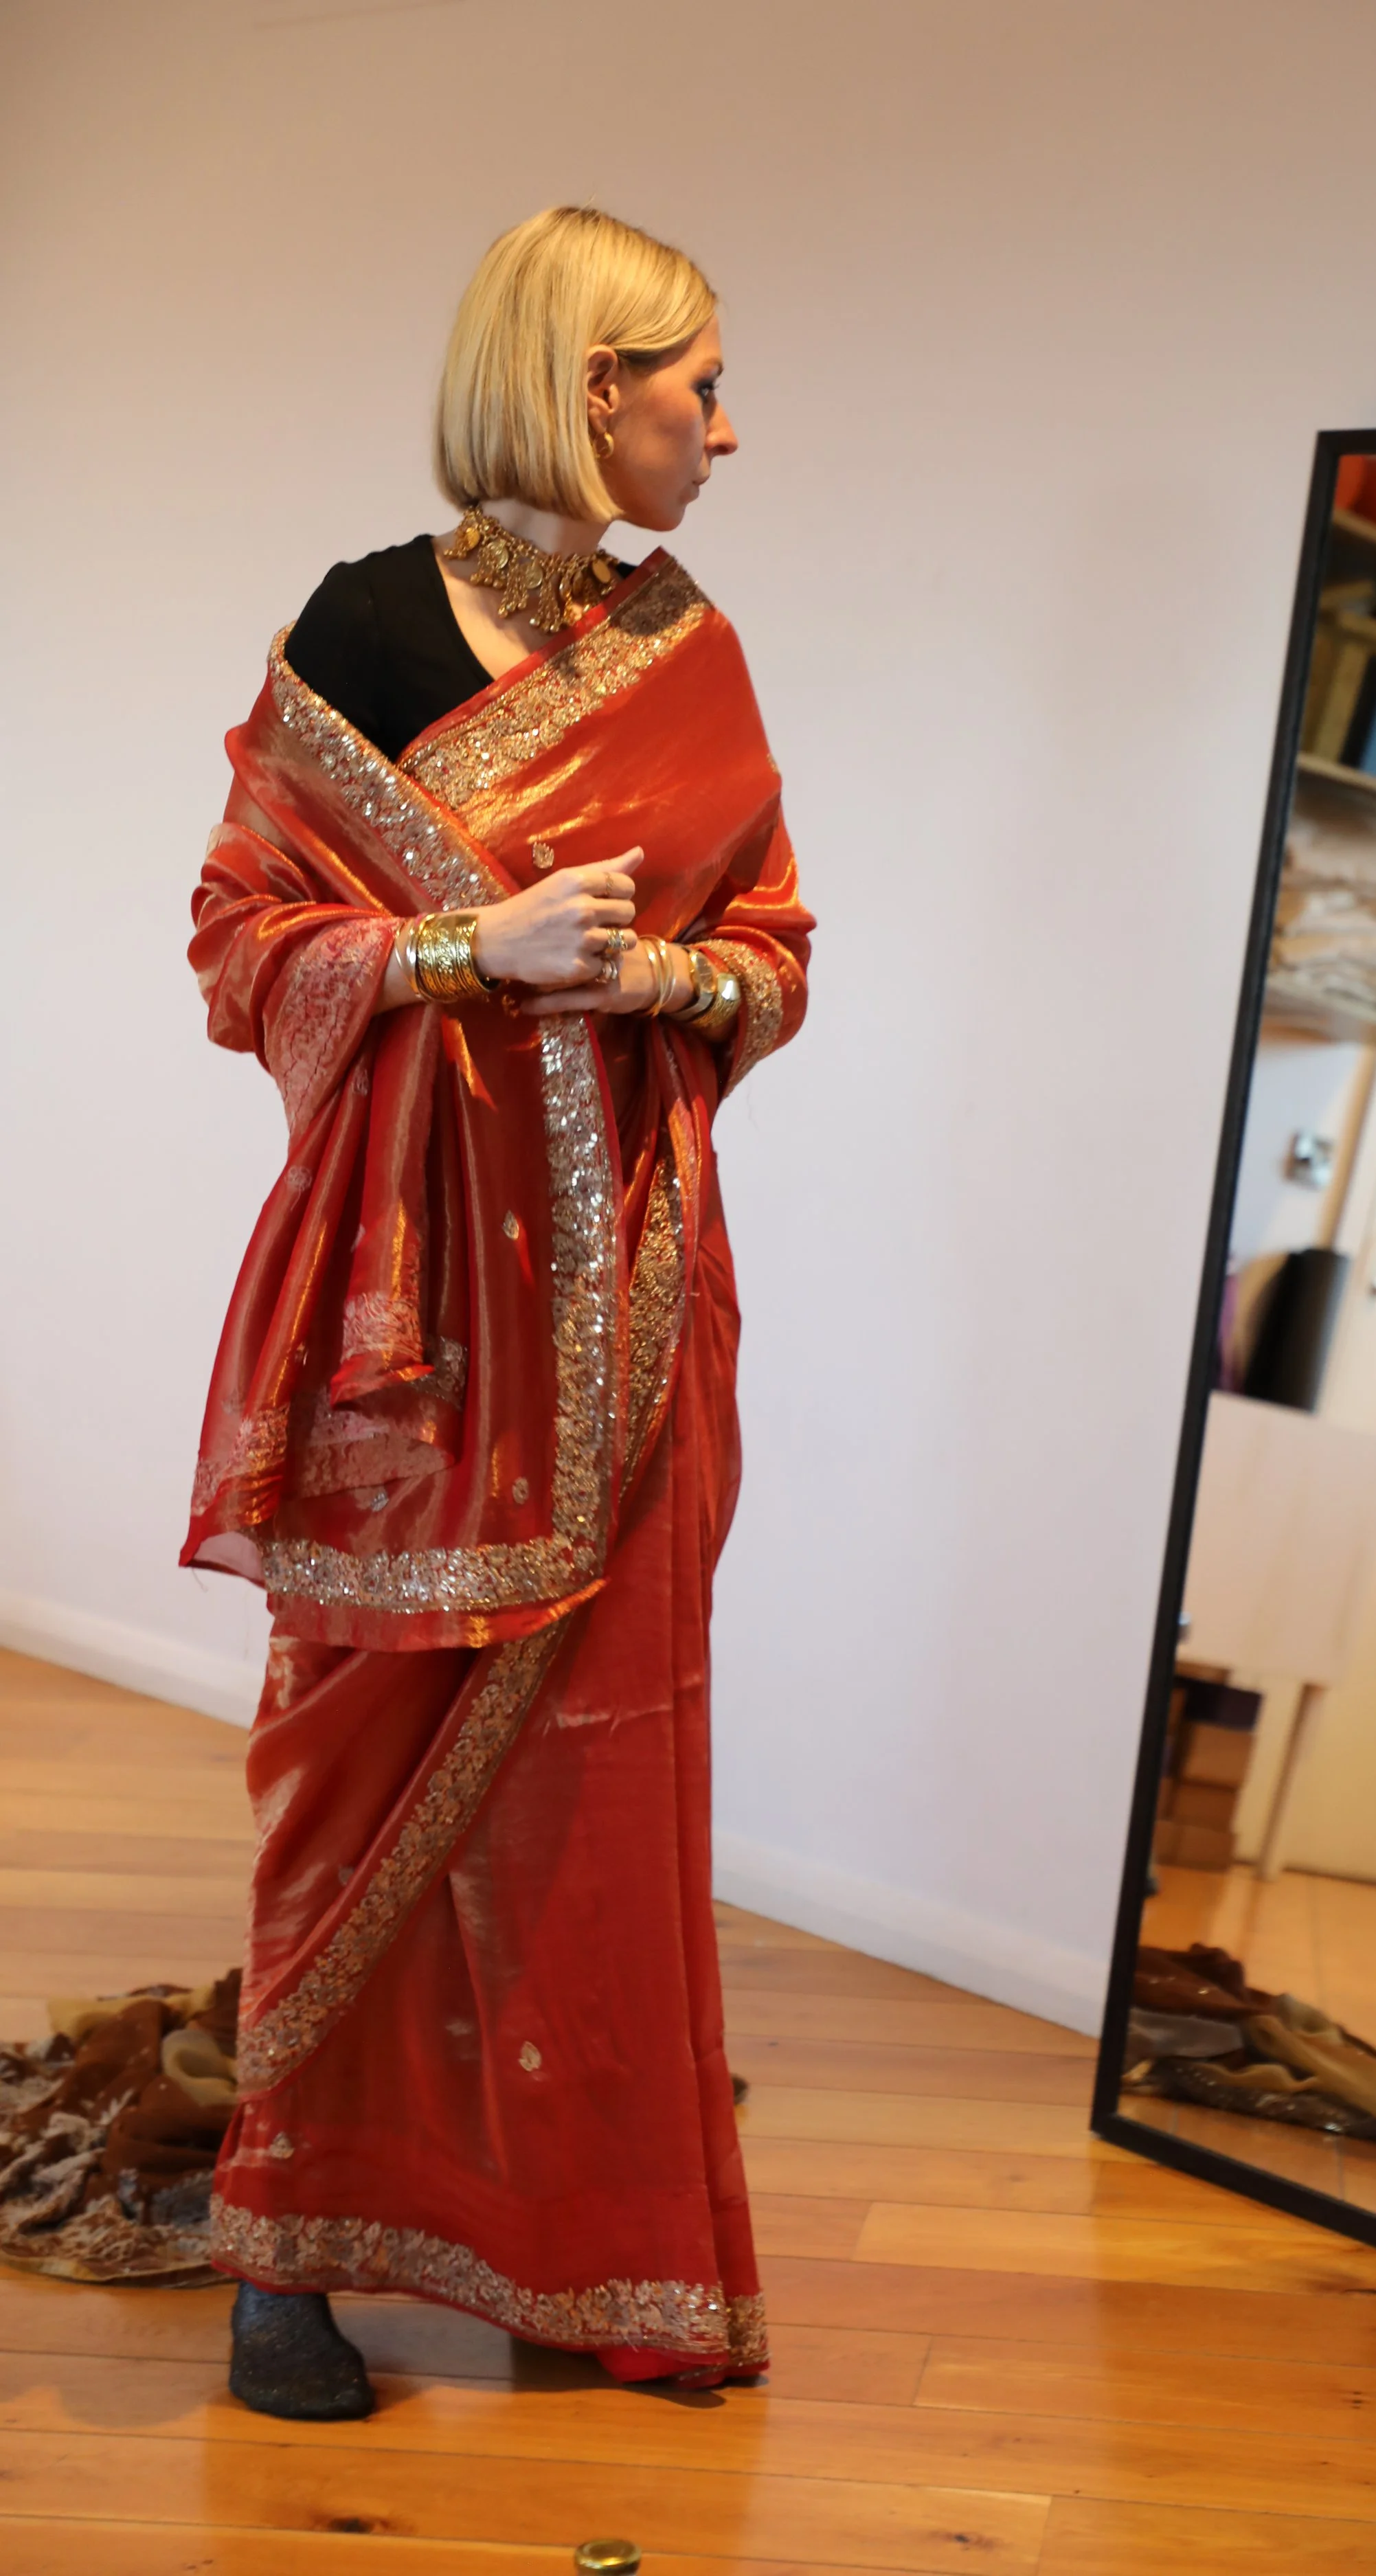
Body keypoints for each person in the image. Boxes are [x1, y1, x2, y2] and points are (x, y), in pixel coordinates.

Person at [182, 205, 813, 2419]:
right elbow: (237, 945)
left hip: (631, 1296)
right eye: (697, 387)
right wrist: (470, 948)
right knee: (342, 1772)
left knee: (606, 1780)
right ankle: (284, 2261)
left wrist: (670, 978)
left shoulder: (692, 652)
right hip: (405, 1318)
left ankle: (581, 2254)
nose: (725, 429)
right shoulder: (356, 636)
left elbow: (778, 944)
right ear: (585, 391)